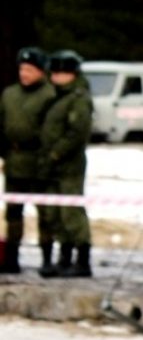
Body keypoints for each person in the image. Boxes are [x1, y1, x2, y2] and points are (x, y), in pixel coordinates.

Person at [37, 50, 94, 277]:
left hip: (69, 165)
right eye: (54, 73)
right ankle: (65, 257)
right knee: (56, 214)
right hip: (52, 165)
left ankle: (82, 260)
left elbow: (77, 132)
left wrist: (56, 154)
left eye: (60, 73)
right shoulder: (57, 96)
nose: (55, 77)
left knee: (72, 213)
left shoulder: (78, 98)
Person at [0, 46, 57, 274]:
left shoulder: (49, 95)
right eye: (22, 69)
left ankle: (47, 257)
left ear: (41, 72)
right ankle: (11, 257)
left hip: (39, 162)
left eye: (30, 70)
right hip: (14, 161)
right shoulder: (9, 94)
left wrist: (46, 158)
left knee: (45, 213)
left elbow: (51, 130)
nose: (24, 74)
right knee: (13, 212)